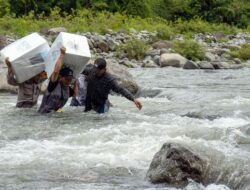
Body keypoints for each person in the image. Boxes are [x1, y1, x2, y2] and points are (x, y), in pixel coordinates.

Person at [38, 47, 77, 113]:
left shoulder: (68, 89)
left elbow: (75, 94)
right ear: (60, 77)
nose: (68, 81)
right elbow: (56, 71)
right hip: (44, 115)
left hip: (56, 115)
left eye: (70, 79)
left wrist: (76, 81)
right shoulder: (53, 84)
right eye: (67, 79)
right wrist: (62, 55)